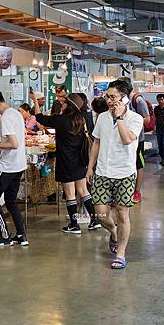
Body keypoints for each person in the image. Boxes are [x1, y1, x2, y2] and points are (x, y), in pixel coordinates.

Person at [86, 79, 143, 270]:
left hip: (125, 173)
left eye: (113, 97)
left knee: (122, 213)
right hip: (102, 172)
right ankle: (114, 232)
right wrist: (90, 167)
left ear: (124, 98)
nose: (109, 101)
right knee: (101, 215)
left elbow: (127, 140)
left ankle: (120, 253)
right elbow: (97, 142)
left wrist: (119, 118)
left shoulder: (136, 119)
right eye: (107, 97)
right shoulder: (101, 117)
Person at [31, 93, 100, 234]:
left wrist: (35, 102)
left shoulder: (61, 120)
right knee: (83, 190)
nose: (62, 103)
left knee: (70, 193)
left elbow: (39, 117)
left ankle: (74, 224)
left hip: (66, 161)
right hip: (80, 161)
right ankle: (95, 220)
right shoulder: (81, 119)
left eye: (64, 102)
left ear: (69, 105)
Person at [0, 89, 28, 247]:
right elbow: (14, 141)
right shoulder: (15, 113)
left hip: (7, 167)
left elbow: (13, 144)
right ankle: (21, 235)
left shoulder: (6, 116)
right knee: (10, 201)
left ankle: (4, 234)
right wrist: (1, 148)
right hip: (18, 164)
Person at [129, 87, 152, 203]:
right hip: (126, 139)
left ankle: (137, 191)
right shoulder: (121, 101)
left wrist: (132, 121)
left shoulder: (138, 100)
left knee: (138, 165)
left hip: (138, 139)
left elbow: (147, 120)